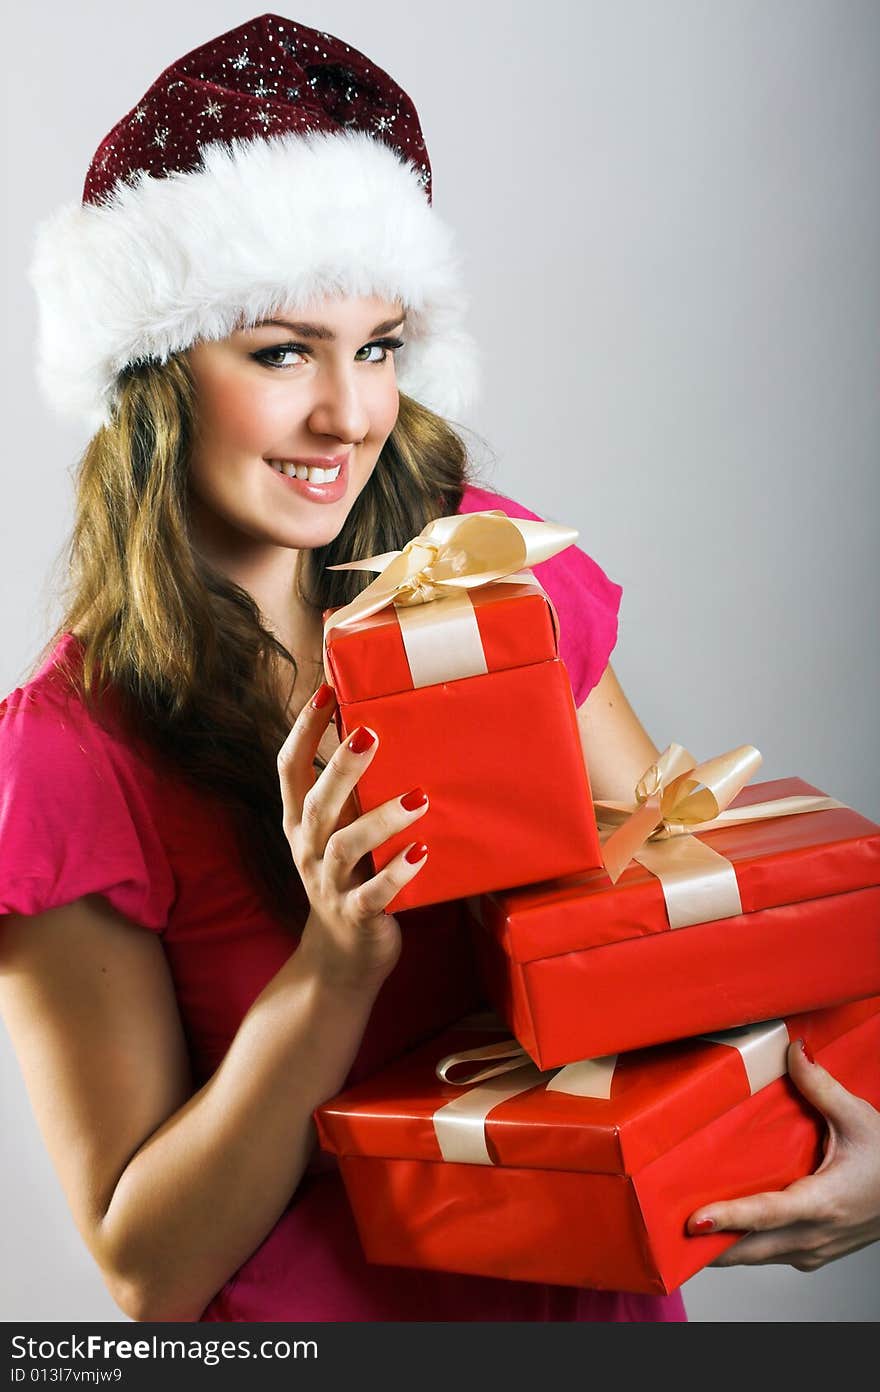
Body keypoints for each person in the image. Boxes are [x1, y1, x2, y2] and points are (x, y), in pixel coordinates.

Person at [0, 14, 875, 1325]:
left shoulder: (489, 573)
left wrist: (855, 1134)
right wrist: (336, 967)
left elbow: (682, 936)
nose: (348, 415)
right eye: (282, 350)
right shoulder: (70, 751)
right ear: (155, 371)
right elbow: (148, 1271)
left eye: (380, 346)